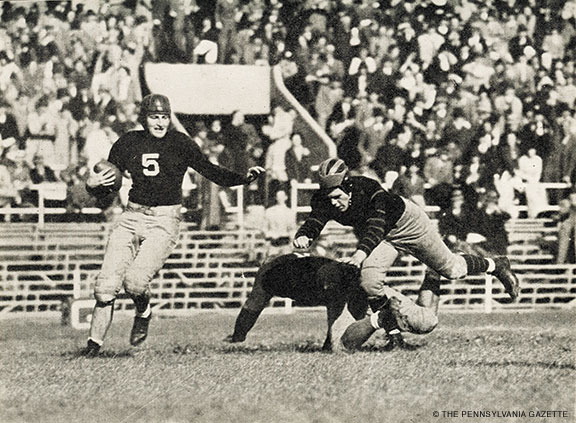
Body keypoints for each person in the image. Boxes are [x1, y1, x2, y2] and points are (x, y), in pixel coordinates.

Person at [81, 94, 265, 356]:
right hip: (131, 216)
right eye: (154, 117)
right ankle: (92, 348)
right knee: (105, 287)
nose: (159, 122)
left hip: (164, 220)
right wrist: (93, 185)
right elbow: (107, 192)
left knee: (134, 283)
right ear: (144, 118)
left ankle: (143, 311)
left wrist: (242, 179)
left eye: (164, 117)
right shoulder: (127, 142)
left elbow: (209, 170)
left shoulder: (180, 142)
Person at [293, 158, 520, 348]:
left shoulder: (369, 191)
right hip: (384, 237)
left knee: (452, 268)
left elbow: (375, 228)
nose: (333, 203)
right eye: (329, 198)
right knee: (370, 281)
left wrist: (360, 255)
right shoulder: (325, 199)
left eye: (337, 197)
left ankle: (496, 265)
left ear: (348, 188)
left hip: (408, 224)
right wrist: (305, 234)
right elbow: (316, 219)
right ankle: (394, 337)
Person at [225, 253, 368, 351]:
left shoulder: (342, 281)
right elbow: (254, 303)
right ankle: (237, 336)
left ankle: (332, 342)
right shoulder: (272, 276)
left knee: (338, 338)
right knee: (258, 296)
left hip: (319, 273)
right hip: (291, 273)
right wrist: (239, 335)